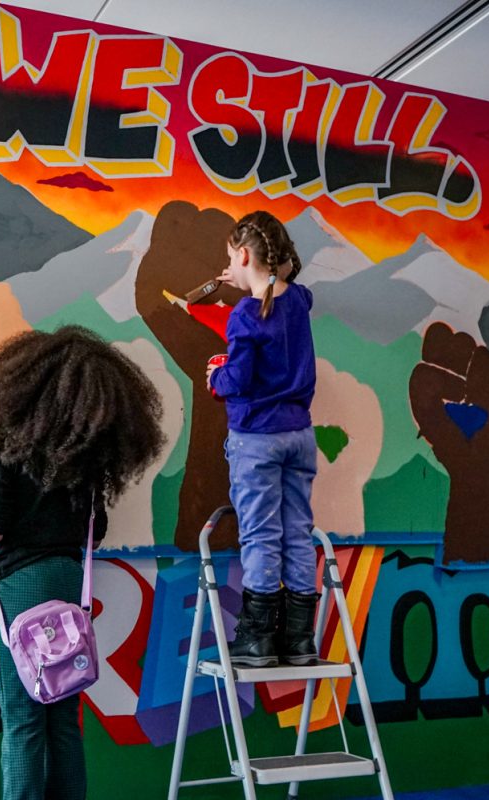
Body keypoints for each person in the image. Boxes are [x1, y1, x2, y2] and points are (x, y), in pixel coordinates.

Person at [0, 326, 164, 800]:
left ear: (18, 385)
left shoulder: (10, 449)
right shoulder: (86, 459)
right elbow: (96, 531)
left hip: (20, 587)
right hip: (69, 582)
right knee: (63, 718)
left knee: (22, 721)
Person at [205, 210, 317, 668]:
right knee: (297, 533)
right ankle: (299, 640)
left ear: (244, 254)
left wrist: (217, 376)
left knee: (260, 534)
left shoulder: (246, 314)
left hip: (257, 438)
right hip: (300, 436)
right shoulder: (300, 301)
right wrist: (254, 272)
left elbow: (241, 378)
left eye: (233, 257)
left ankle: (256, 639)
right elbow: (288, 276)